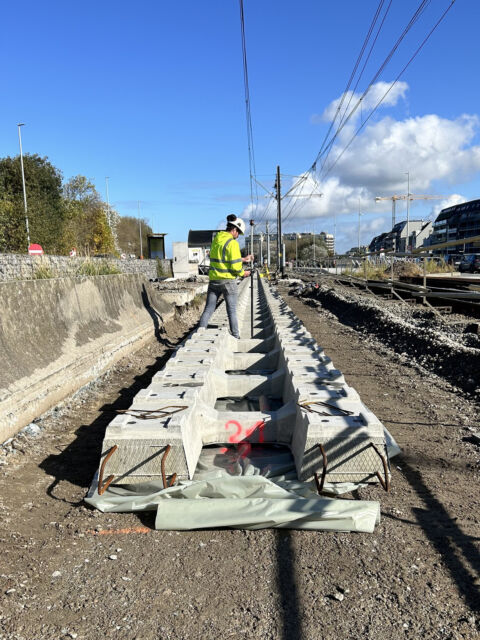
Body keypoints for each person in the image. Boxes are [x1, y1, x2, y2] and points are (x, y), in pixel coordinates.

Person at [198, 214, 253, 338]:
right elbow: (234, 266)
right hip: (228, 281)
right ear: (234, 230)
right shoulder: (232, 244)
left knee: (208, 309)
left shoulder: (217, 240)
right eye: (238, 233)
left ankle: (199, 333)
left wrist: (243, 259)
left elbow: (224, 258)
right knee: (232, 310)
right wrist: (243, 273)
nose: (238, 236)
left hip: (214, 280)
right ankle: (236, 335)